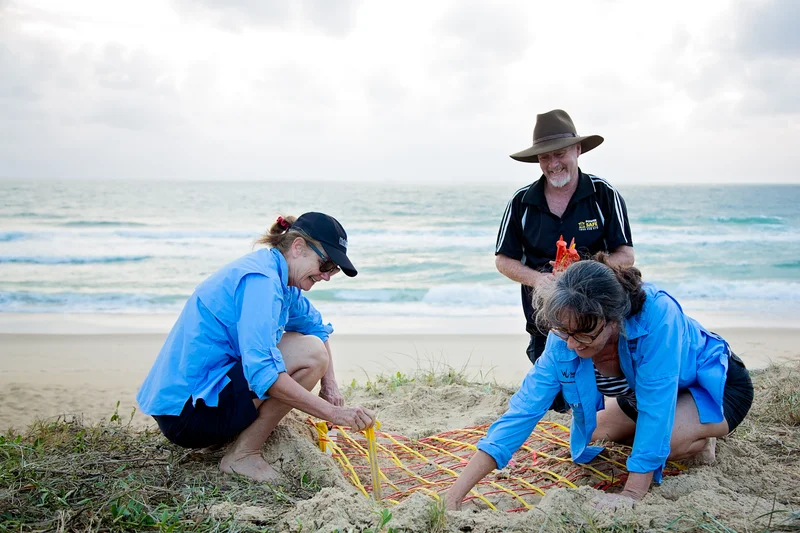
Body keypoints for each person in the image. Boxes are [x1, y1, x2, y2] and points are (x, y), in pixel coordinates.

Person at [445, 256, 754, 509]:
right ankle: (689, 423)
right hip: (657, 393)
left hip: (715, 384)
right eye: (565, 333)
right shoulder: (566, 330)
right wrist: (456, 494)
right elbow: (522, 411)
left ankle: (704, 435)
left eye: (584, 335)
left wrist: (630, 494)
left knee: (666, 441)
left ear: (613, 320)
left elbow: (656, 408)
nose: (571, 345)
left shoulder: (658, 317)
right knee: (596, 430)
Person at [136, 212, 376, 482]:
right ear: (298, 247)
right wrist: (335, 414)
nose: (327, 276)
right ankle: (243, 454)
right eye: (327, 263)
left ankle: (232, 440)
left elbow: (316, 327)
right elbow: (264, 374)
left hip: (197, 400)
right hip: (187, 415)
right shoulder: (261, 280)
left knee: (311, 347)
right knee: (311, 355)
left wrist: (330, 386)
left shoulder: (281, 278)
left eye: (333, 270)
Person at [495, 109, 635, 412]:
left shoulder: (604, 194)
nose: (552, 163)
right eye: (544, 158)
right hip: (543, 319)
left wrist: (588, 272)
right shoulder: (521, 202)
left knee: (607, 399)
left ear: (578, 150)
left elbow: (626, 255)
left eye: (559, 154)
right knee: (558, 403)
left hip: (598, 317)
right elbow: (503, 260)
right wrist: (538, 278)